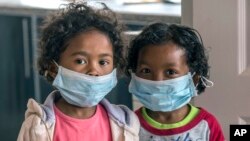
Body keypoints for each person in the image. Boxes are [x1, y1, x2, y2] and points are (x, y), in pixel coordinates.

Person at [17, 2, 139, 141]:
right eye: (80, 61)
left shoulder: (125, 124)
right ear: (53, 69)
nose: (94, 71)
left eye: (103, 62)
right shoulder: (37, 127)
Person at [126, 23, 225, 141]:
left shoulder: (207, 126)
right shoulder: (129, 125)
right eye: (146, 70)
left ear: (193, 79)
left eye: (170, 72)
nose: (158, 81)